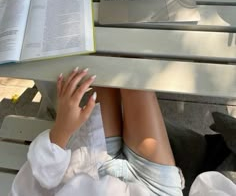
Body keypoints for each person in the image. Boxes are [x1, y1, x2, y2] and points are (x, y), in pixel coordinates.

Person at [9, 67, 184, 196]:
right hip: (154, 190)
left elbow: (33, 185)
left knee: (107, 68)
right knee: (134, 70)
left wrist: (62, 129)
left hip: (88, 167)